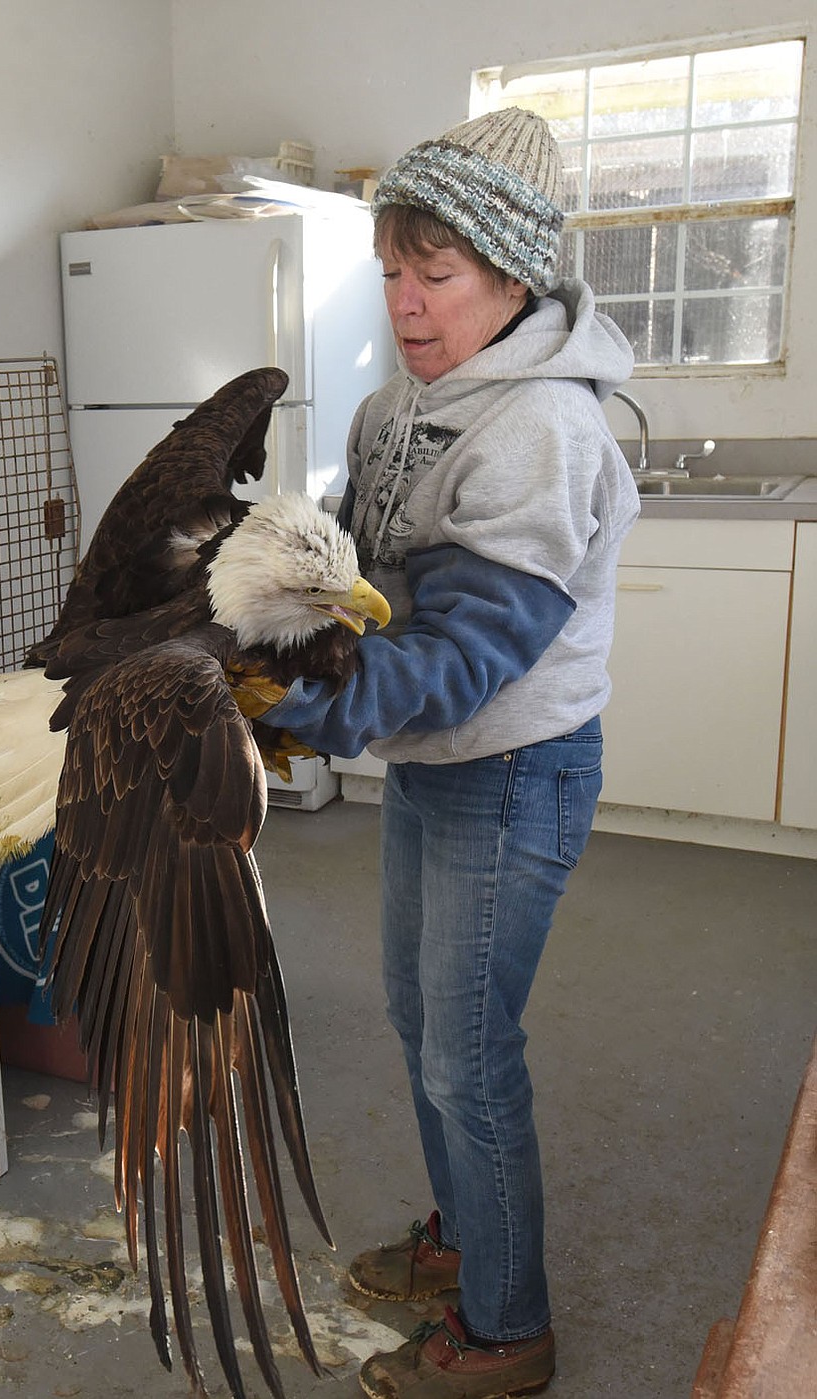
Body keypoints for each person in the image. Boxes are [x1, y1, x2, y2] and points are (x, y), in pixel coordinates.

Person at [257, 106, 640, 1398]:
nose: (408, 304)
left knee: (467, 1049)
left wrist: (286, 706)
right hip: (432, 763)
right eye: (393, 274)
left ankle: (508, 1328)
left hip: (513, 767)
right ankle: (468, 1242)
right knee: (426, 1024)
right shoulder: (389, 409)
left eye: (439, 276)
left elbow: (470, 649)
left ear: (514, 276)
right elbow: (363, 571)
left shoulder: (541, 429)